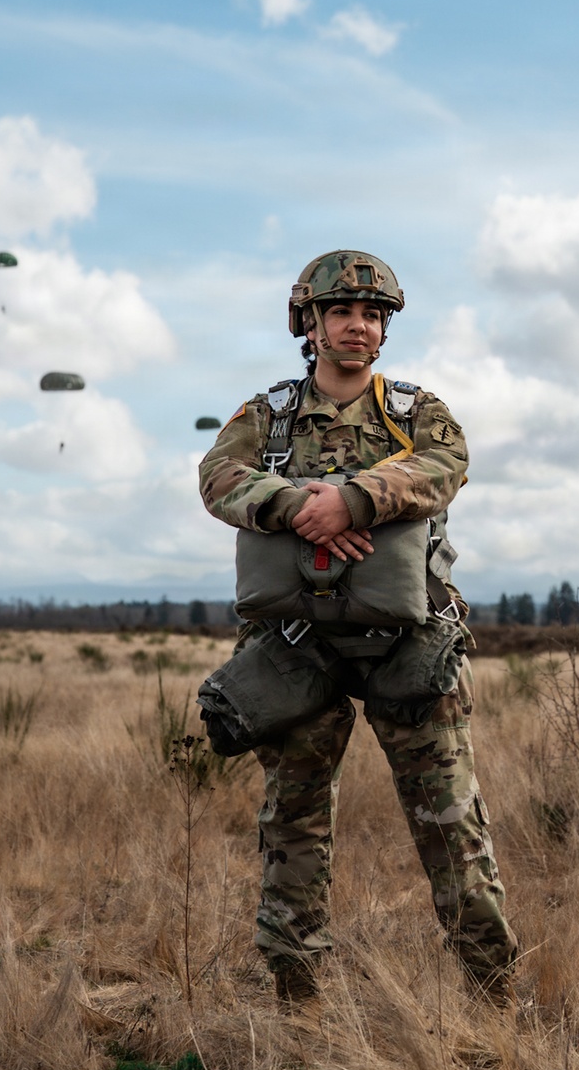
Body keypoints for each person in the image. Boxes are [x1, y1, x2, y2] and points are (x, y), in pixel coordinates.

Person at [198, 250, 517, 1013]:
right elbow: (218, 476)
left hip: (408, 648)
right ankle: (299, 1006)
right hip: (296, 650)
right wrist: (294, 508)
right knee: (293, 829)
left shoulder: (413, 412)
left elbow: (448, 464)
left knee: (451, 825)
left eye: (372, 315)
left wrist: (356, 499)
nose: (358, 326)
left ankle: (495, 999)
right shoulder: (267, 416)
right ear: (308, 323)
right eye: (341, 312)